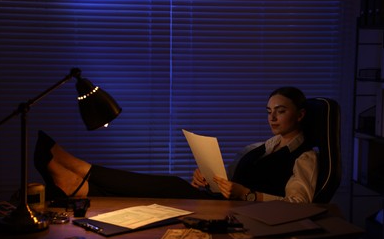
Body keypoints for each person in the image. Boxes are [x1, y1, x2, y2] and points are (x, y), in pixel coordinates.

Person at [34, 86, 318, 203]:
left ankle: (78, 169)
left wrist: (249, 195)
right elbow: (231, 182)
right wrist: (210, 179)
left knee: (172, 185)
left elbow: (299, 206)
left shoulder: (305, 157)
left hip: (246, 216)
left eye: (280, 111)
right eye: (269, 112)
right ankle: (78, 185)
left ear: (300, 114)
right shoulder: (263, 147)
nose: (273, 118)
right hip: (225, 205)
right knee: (171, 188)